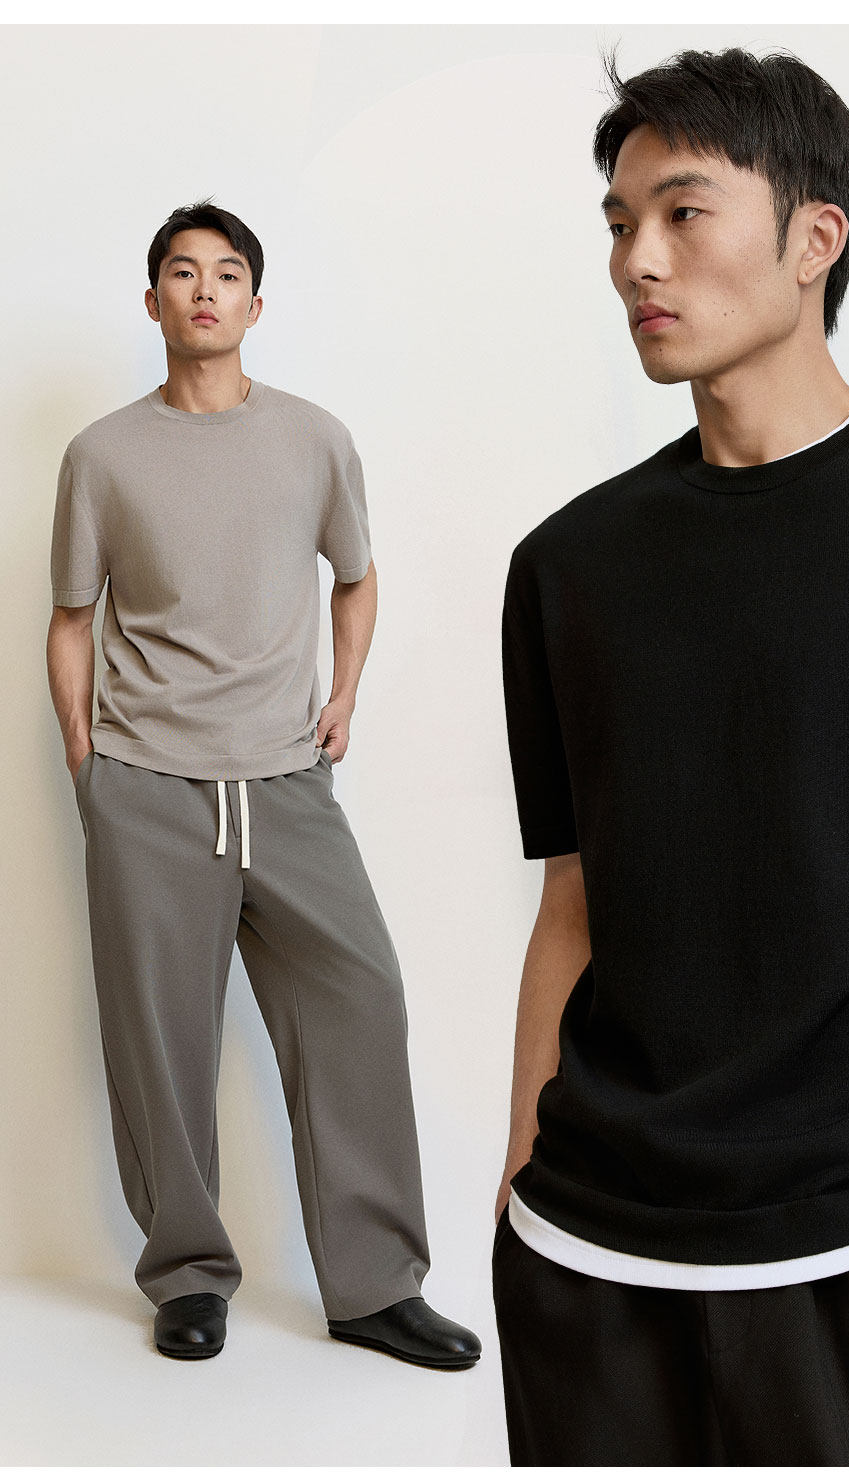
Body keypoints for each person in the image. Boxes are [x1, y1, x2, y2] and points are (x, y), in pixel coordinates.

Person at [493, 45, 849, 1465]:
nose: (638, 259)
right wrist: (517, 1188)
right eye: (620, 222)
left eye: (684, 212)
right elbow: (575, 901)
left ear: (818, 238)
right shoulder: (569, 566)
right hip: (591, 1260)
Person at [47, 199, 480, 1370]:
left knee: (360, 998)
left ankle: (375, 1286)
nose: (205, 290)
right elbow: (71, 620)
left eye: (227, 273)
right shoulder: (102, 457)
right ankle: (188, 1276)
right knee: (161, 1041)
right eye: (183, 273)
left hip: (287, 784)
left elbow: (358, 577)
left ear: (254, 301)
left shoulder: (314, 439)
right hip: (148, 788)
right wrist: (90, 766)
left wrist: (346, 694)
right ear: (153, 302)